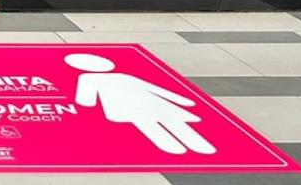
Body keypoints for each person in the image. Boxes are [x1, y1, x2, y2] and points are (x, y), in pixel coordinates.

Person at [67, 52, 216, 155]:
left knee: (148, 124)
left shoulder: (88, 78)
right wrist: (183, 101)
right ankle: (196, 145)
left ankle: (173, 146)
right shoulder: (122, 76)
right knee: (170, 122)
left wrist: (85, 104)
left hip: (124, 107)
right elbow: (155, 89)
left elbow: (86, 100)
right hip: (152, 103)